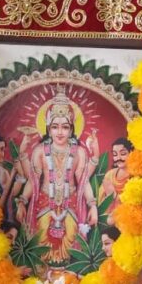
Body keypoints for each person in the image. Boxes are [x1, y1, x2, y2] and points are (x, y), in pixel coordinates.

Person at [20, 90, 97, 264]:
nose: (60, 132)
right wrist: (22, 201)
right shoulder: (40, 151)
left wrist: (92, 205)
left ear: (71, 129)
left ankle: (66, 276)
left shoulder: (79, 152)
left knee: (70, 240)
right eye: (55, 127)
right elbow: (33, 180)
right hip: (45, 202)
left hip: (70, 204)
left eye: (65, 127)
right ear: (48, 129)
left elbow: (83, 181)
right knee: (42, 240)